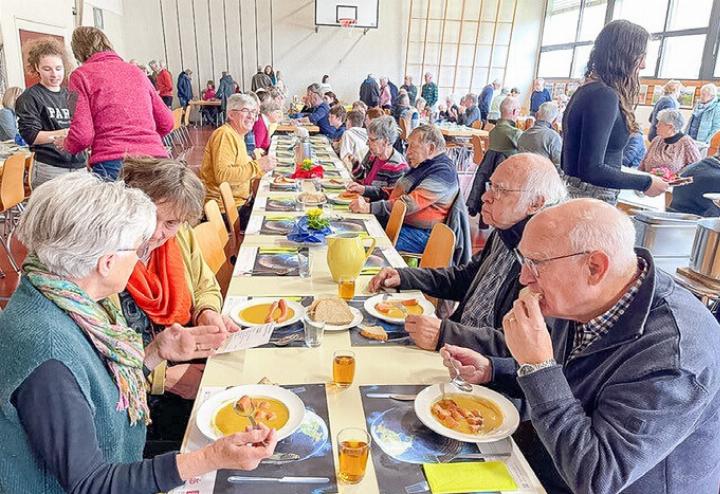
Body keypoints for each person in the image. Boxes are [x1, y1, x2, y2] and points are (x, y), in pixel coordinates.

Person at [0, 173, 277, 494]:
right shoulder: (48, 355)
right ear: (106, 262)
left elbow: (98, 389)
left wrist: (157, 352)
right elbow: (91, 484)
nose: (141, 256)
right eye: (135, 249)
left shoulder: (64, 293)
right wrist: (209, 457)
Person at [450, 198, 720, 493]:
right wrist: (494, 370)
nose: (524, 278)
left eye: (536, 264)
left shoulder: (675, 356)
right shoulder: (589, 295)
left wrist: (536, 367)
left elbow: (597, 478)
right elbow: (568, 375)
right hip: (551, 460)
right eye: (523, 261)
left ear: (594, 267)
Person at [368, 154, 566, 351]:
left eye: (500, 190)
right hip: (455, 344)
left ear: (536, 203)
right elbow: (464, 278)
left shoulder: (550, 260)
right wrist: (404, 276)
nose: (484, 197)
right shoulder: (505, 233)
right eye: (491, 186)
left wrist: (447, 334)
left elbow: (528, 348)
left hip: (473, 364)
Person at [118, 157, 240, 454]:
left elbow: (204, 285)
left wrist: (207, 312)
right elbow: (99, 358)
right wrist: (162, 379)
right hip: (135, 397)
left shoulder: (180, 237)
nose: (157, 233)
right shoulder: (110, 257)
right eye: (150, 218)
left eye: (171, 223)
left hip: (184, 356)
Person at [561, 20, 667, 204]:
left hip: (580, 193)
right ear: (624, 55)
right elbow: (592, 169)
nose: (643, 65)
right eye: (640, 56)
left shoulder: (589, 90)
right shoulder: (603, 95)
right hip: (591, 198)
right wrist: (646, 182)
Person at [62, 27, 174, 181]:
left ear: (77, 52)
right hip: (154, 159)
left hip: (113, 161)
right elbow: (167, 123)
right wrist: (143, 139)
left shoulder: (79, 76)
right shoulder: (137, 72)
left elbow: (82, 136)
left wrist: (67, 144)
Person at [348, 125, 458, 253]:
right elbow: (396, 191)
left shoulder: (444, 171)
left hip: (420, 233)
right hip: (400, 223)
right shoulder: (424, 164)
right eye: (408, 146)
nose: (408, 152)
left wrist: (369, 207)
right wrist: (365, 190)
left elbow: (408, 204)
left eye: (412, 146)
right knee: (353, 229)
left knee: (361, 247)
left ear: (431, 148)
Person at [15, 38, 88, 188]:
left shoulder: (72, 95)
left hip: (80, 166)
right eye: (47, 69)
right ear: (37, 67)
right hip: (50, 167)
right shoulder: (30, 97)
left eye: (58, 68)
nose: (54, 74)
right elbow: (31, 136)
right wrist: (67, 132)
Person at [199, 93, 276, 212]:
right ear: (231, 114)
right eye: (246, 111)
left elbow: (241, 171)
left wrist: (262, 169)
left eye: (254, 112)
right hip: (226, 210)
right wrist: (258, 165)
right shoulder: (225, 135)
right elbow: (223, 176)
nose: (252, 116)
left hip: (239, 204)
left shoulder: (237, 135)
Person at [351, 116, 408, 187]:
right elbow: (363, 179)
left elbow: (390, 196)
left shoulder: (398, 167)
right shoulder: (373, 155)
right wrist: (355, 164)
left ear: (385, 141)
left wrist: (364, 191)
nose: (367, 143)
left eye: (372, 140)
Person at [639, 109, 700, 175]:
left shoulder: (687, 143)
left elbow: (697, 168)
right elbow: (643, 164)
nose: (656, 126)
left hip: (673, 184)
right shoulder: (656, 140)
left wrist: (677, 177)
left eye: (660, 124)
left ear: (670, 127)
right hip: (649, 181)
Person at [517, 102, 562, 166]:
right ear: (555, 120)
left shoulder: (523, 135)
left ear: (536, 115)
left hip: (524, 172)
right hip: (544, 174)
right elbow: (559, 166)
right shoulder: (554, 138)